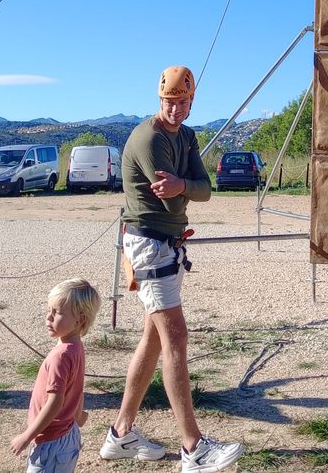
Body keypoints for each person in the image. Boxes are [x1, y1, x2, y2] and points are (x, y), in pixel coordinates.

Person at [100, 65, 242, 473]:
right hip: (149, 242)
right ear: (157, 100)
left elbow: (205, 191)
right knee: (175, 335)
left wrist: (183, 187)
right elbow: (172, 202)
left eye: (182, 102)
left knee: (155, 339)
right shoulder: (148, 138)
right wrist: (184, 189)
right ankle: (192, 447)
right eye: (169, 102)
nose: (175, 109)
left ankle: (121, 433)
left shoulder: (188, 136)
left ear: (192, 101)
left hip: (167, 245)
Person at [10, 278, 101, 472]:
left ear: (80, 319)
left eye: (57, 313)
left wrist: (27, 436)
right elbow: (76, 388)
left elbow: (55, 403)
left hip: (51, 442)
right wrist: (77, 415)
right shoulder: (75, 347)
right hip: (67, 435)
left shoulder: (60, 356)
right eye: (49, 310)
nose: (48, 318)